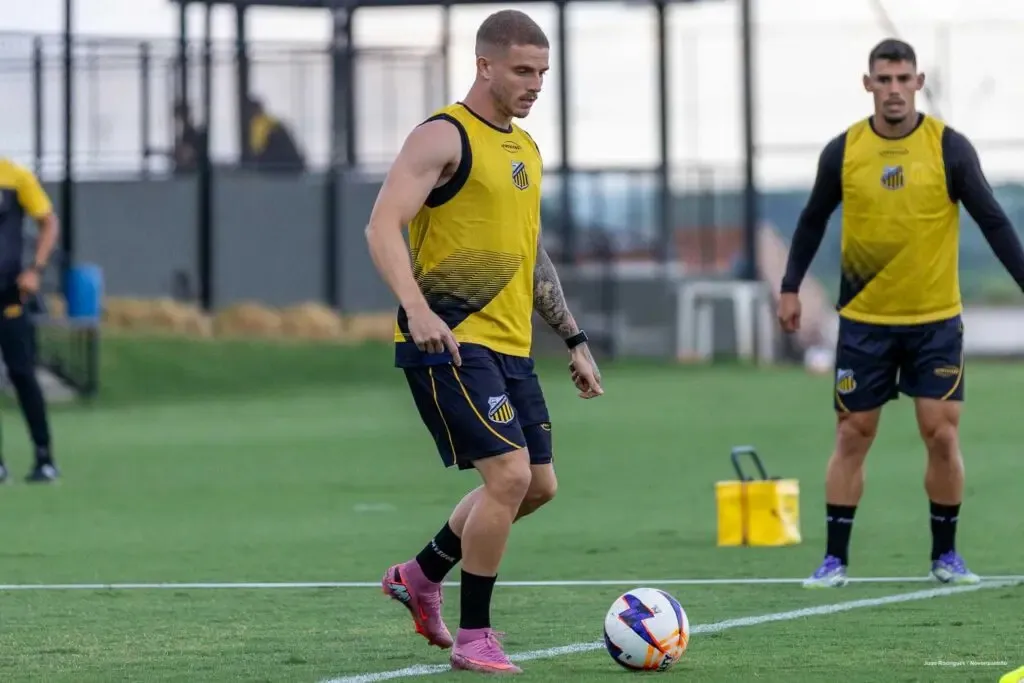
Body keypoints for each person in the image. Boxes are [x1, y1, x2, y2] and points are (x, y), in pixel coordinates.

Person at [364, 9, 603, 674]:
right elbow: (381, 227)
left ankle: (420, 573)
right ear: (485, 66)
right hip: (449, 343)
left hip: (510, 347)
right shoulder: (443, 136)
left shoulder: (525, 150)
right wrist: (416, 310)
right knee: (509, 475)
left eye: (543, 73)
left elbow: (530, 257)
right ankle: (475, 637)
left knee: (539, 485)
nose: (534, 84)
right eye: (523, 71)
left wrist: (575, 338)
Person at [779, 38, 1024, 588]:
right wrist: (791, 286)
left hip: (935, 320)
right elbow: (813, 219)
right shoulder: (845, 151)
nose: (894, 89)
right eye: (883, 80)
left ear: (918, 83)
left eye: (903, 79)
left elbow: (994, 221)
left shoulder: (949, 149)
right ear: (868, 84)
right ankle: (835, 559)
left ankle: (946, 555)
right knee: (853, 434)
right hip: (865, 322)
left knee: (940, 434)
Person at [0, 158, 61, 484]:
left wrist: (35, 269)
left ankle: (44, 457)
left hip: (10, 293)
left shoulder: (14, 175)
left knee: (22, 373)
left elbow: (49, 222)